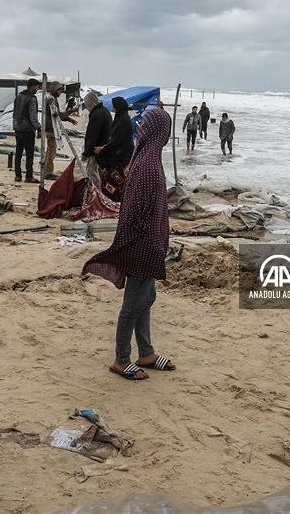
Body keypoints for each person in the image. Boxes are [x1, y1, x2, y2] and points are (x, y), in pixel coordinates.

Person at [83, 107, 176, 380]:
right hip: (143, 245)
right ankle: (121, 359)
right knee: (134, 303)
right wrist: (136, 245)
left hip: (150, 243)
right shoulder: (147, 164)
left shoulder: (148, 157)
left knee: (146, 299)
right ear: (161, 132)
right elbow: (136, 211)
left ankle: (145, 352)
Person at [94, 96, 135, 202]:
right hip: (120, 153)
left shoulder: (123, 120)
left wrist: (104, 148)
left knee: (115, 180)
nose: (112, 107)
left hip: (121, 155)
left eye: (114, 105)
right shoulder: (121, 118)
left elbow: (118, 139)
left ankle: (116, 199)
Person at [44, 81, 77, 180]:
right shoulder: (51, 100)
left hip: (51, 129)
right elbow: (58, 115)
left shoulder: (52, 99)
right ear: (55, 89)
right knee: (51, 152)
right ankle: (48, 172)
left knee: (49, 151)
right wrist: (71, 111)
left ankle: (46, 170)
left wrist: (69, 119)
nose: (60, 92)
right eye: (59, 90)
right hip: (51, 129)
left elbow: (58, 115)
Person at [12, 78, 42, 183]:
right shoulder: (31, 99)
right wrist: (38, 128)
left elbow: (14, 113)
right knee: (29, 153)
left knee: (19, 152)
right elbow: (33, 116)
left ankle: (18, 175)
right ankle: (29, 176)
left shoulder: (18, 97)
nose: (37, 89)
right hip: (27, 129)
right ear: (33, 87)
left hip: (17, 128)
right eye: (37, 87)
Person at [81, 91, 113, 186]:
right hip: (103, 147)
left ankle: (96, 195)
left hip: (96, 150)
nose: (87, 107)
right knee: (99, 172)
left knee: (92, 172)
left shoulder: (97, 115)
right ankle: (102, 193)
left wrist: (86, 152)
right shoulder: (105, 111)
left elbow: (93, 135)